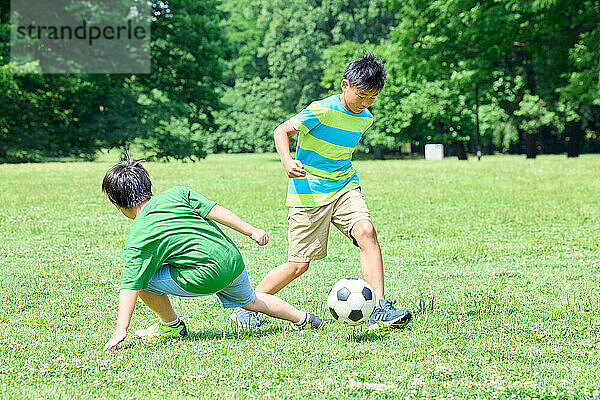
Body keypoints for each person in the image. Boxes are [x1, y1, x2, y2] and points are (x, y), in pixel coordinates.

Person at [231, 53, 412, 329]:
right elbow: (281, 131)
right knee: (298, 266)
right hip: (309, 191)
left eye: (372, 97)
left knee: (366, 231)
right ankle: (247, 304)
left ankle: (380, 307)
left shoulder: (366, 118)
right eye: (362, 95)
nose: (365, 102)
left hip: (344, 185)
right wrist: (287, 161)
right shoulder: (321, 110)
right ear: (345, 85)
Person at [102, 156, 323, 350]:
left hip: (206, 275)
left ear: (118, 205)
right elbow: (216, 211)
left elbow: (131, 285)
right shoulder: (178, 193)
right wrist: (251, 230)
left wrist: (122, 328)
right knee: (251, 301)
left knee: (144, 280)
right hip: (232, 260)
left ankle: (172, 327)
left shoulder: (138, 237)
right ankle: (304, 318)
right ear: (148, 185)